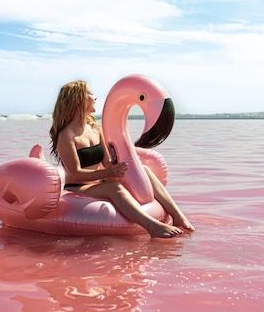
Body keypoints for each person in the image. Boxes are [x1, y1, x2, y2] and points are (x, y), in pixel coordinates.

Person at [49, 80, 195, 238]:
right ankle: (152, 226)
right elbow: (77, 173)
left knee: (144, 169)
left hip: (98, 182)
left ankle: (178, 216)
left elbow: (106, 162)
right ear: (78, 100)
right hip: (78, 187)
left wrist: (126, 166)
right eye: (90, 94)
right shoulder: (66, 135)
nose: (95, 97)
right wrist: (108, 174)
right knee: (114, 188)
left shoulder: (96, 129)